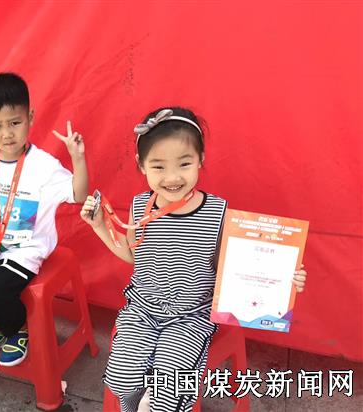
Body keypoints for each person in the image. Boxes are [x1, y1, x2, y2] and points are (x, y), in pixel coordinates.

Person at [80, 107, 308, 411]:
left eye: (184, 164)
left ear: (200, 159)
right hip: (142, 309)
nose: (173, 177)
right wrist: (99, 226)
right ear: (141, 165)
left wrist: (282, 278)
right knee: (121, 378)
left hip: (191, 316)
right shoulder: (140, 206)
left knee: (169, 388)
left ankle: (158, 402)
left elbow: (238, 267)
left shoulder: (217, 213)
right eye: (158, 166)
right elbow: (134, 255)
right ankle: (136, 404)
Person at [0, 72, 88, 369]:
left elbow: (79, 195)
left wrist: (78, 158)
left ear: (30, 118)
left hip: (28, 246)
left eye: (15, 123)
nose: (6, 133)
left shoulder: (44, 166)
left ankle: (17, 329)